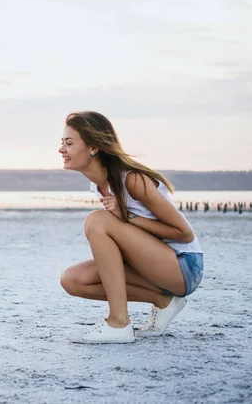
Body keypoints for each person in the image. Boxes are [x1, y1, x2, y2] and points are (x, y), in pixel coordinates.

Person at [58, 111, 203, 344]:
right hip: (152, 266)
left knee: (97, 220)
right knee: (72, 280)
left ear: (93, 147)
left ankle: (118, 323)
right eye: (62, 143)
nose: (61, 149)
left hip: (184, 265)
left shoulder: (132, 180)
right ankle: (163, 300)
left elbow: (184, 234)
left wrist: (127, 216)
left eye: (69, 143)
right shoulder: (98, 186)